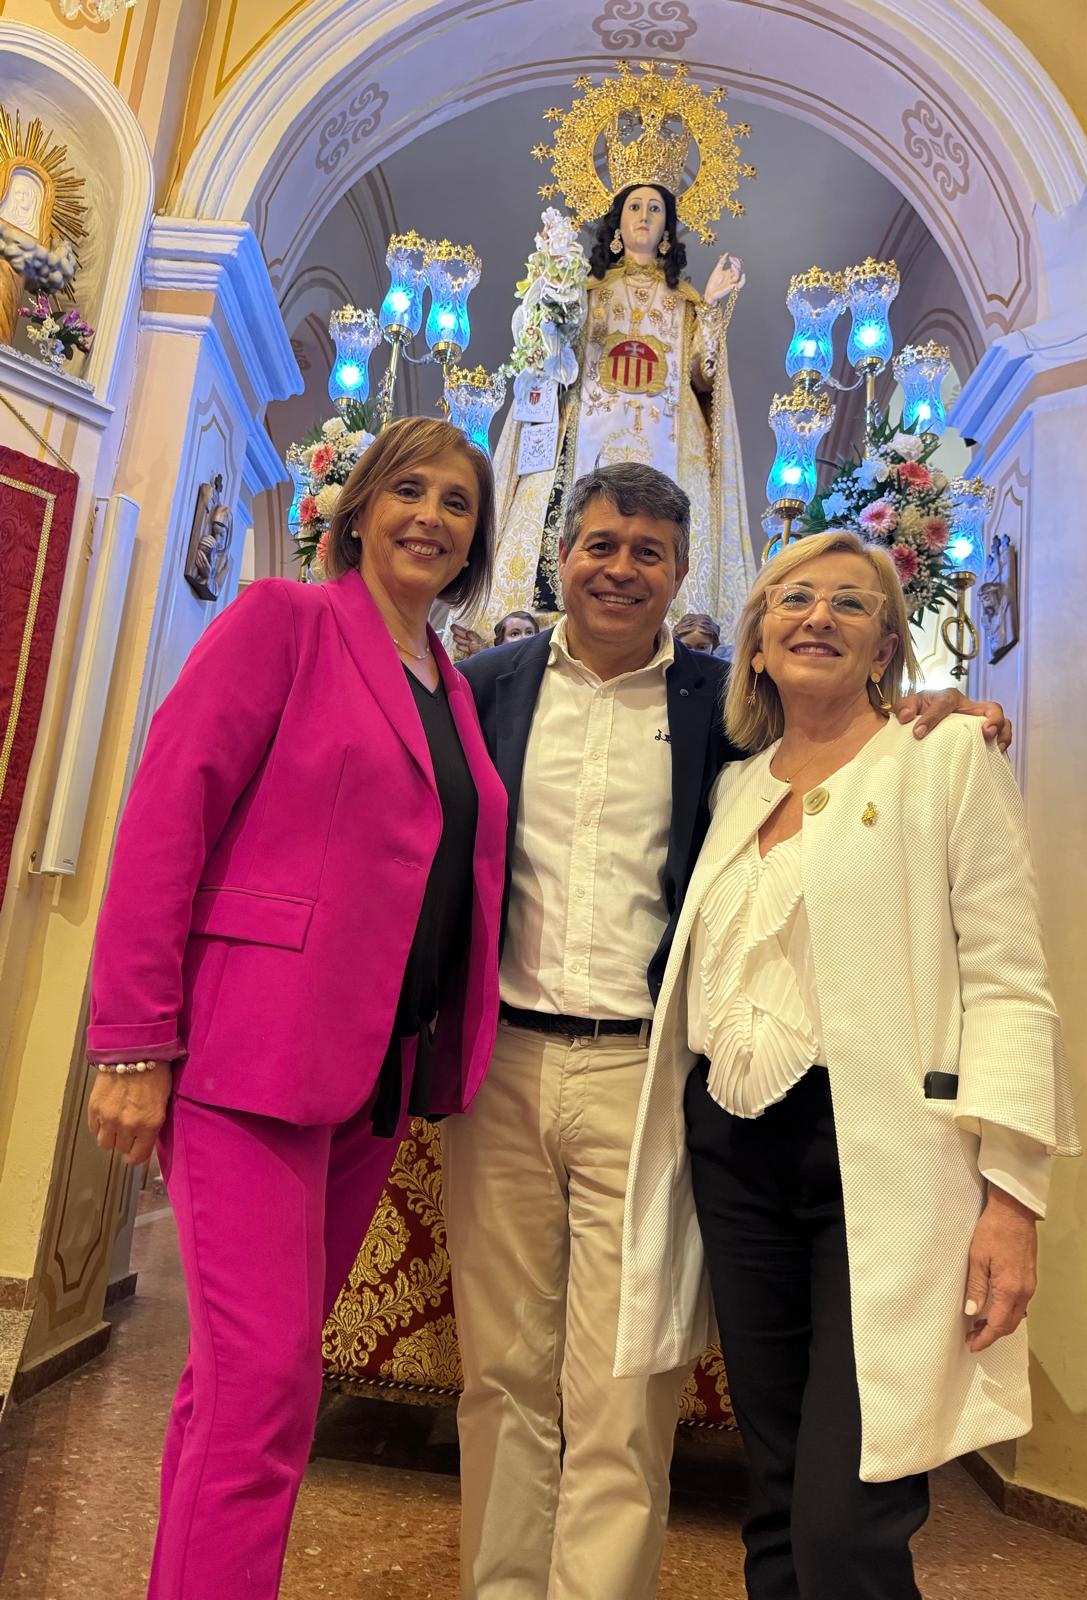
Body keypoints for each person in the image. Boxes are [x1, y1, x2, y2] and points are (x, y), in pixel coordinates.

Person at [444, 465, 1011, 1600]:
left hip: (640, 1074)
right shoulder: (479, 685)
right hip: (500, 1061)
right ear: (561, 554)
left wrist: (939, 710)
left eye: (648, 553)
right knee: (501, 1372)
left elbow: (846, 759)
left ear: (681, 575)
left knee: (623, 1377)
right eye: (600, 544)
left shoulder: (716, 709)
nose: (619, 568)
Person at [85, 417, 508, 1600]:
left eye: (457, 503)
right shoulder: (284, 619)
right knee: (269, 1387)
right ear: (360, 505)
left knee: (236, 1383)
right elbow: (168, 814)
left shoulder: (454, 687)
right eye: (408, 489)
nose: (430, 515)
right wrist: (132, 1041)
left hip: (370, 1080)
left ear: (476, 540)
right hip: (246, 1062)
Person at [616, 529, 1078, 1600]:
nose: (816, 615)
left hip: (880, 1161)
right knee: (774, 1484)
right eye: (793, 599)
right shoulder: (734, 788)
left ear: (885, 646)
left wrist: (1013, 1195)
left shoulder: (942, 759)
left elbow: (1010, 981)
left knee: (847, 1511)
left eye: (849, 603)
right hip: (734, 1158)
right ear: (758, 641)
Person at [488, 182, 752, 635]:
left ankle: (680, 621)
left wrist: (711, 309)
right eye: (635, 207)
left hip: (669, 437)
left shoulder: (686, 302)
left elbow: (704, 378)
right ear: (618, 221)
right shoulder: (585, 292)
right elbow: (556, 364)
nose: (644, 216)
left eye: (655, 208)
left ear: (668, 228)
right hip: (587, 433)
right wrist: (552, 301)